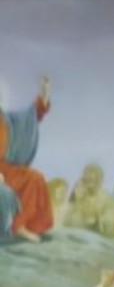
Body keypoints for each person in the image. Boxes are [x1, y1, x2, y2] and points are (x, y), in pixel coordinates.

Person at [0, 75, 53, 241]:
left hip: (6, 169)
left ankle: (29, 225)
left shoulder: (7, 120)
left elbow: (30, 117)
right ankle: (18, 227)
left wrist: (44, 94)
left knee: (35, 178)